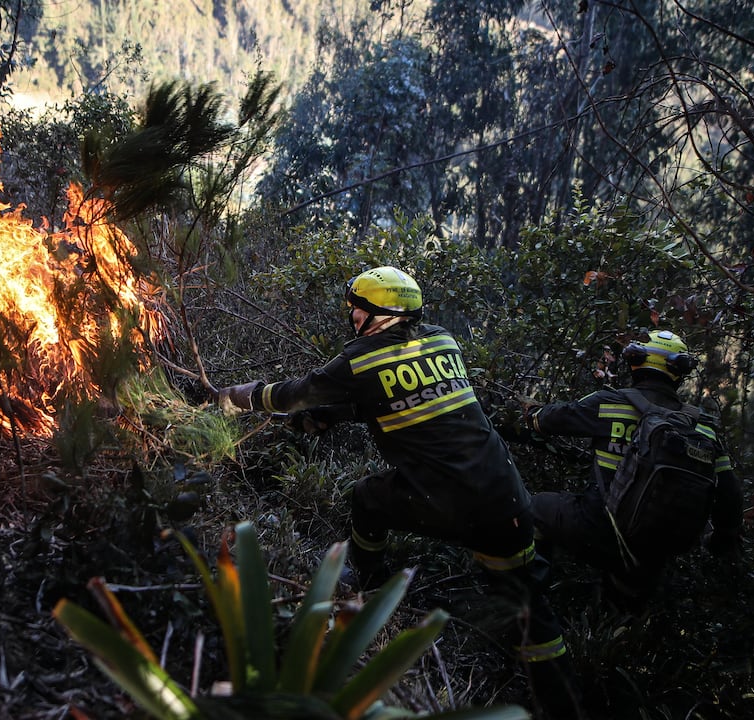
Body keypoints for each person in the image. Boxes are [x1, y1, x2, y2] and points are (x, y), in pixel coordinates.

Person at [215, 266, 582, 719]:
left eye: (359, 309)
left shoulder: (361, 357)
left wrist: (237, 396)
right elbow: (402, 394)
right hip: (506, 496)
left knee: (369, 496)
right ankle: (562, 703)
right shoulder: (443, 340)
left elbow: (296, 395)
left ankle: (366, 581)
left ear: (381, 315)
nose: (352, 316)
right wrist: (336, 415)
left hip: (451, 503)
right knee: (526, 601)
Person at [515, 330, 743, 612]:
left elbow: (547, 421)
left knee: (532, 510)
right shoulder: (704, 428)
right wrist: (722, 543)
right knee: (620, 621)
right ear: (679, 371)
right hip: (653, 552)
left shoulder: (609, 402)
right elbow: (731, 496)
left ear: (636, 360)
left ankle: (527, 604)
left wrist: (531, 413)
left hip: (596, 527)